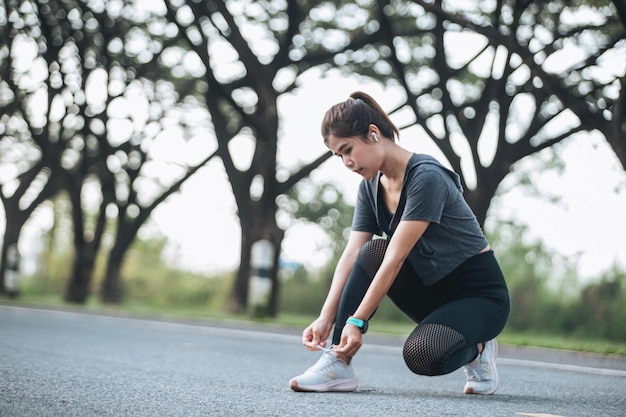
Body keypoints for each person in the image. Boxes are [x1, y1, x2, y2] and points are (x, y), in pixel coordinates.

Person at [289, 91, 510, 395]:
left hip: (479, 297)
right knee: (370, 252)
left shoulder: (426, 177)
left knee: (423, 354)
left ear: (373, 133)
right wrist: (327, 317)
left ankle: (478, 350)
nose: (346, 162)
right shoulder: (370, 187)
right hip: (432, 291)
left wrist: (358, 320)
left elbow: (396, 258)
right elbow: (353, 254)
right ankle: (339, 362)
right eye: (338, 156)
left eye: (348, 149)